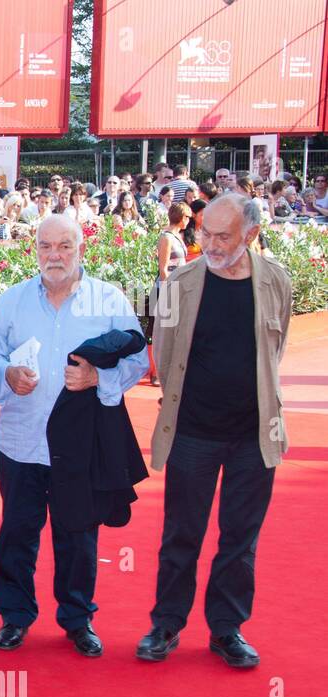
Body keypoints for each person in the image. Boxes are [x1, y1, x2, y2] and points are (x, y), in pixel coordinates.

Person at [0, 215, 149, 656]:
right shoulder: (13, 301)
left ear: (81, 249)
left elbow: (139, 359)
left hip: (81, 445)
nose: (54, 255)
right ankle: (14, 616)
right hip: (21, 441)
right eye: (46, 246)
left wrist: (97, 378)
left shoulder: (108, 299)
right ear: (34, 249)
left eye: (65, 246)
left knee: (78, 534)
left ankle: (77, 618)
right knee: (18, 530)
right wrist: (6, 373)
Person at [137, 195, 291, 668]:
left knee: (240, 538)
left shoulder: (276, 281)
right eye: (206, 233)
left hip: (253, 435)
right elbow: (161, 352)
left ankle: (227, 629)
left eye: (223, 236)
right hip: (193, 433)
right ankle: (165, 624)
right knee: (182, 533)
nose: (211, 243)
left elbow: (276, 345)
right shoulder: (180, 284)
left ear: (249, 234)